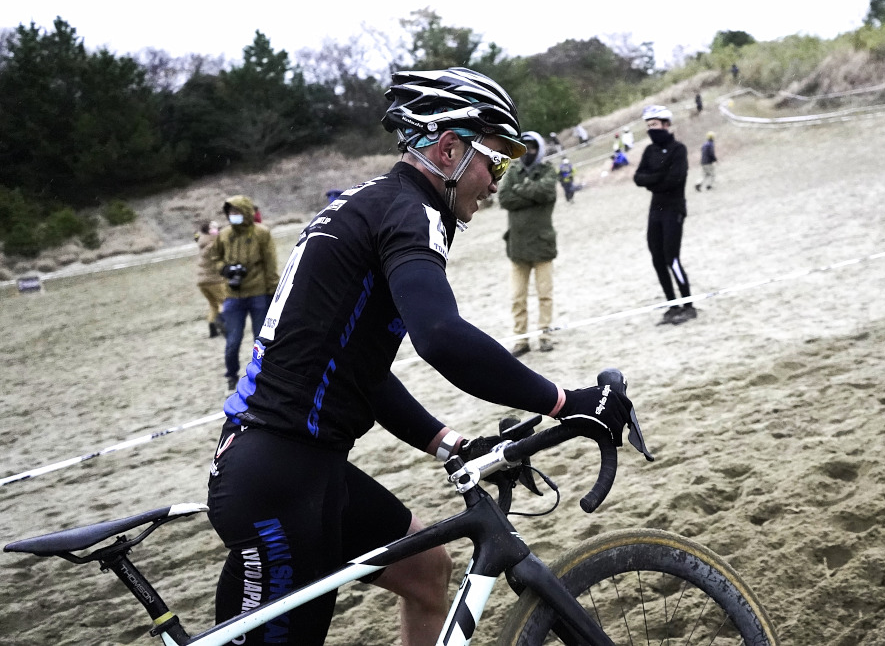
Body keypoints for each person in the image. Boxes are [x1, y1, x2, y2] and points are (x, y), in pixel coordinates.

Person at [205, 67, 635, 646]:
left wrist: (449, 443)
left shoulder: (373, 204)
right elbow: (441, 337)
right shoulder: (412, 212)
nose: (495, 183)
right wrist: (567, 401)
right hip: (279, 479)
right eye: (495, 161)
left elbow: (359, 372)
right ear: (449, 147)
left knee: (428, 569)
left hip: (302, 464)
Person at [633, 105, 695, 325]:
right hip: (655, 210)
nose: (652, 129)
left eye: (655, 125)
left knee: (672, 257)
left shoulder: (679, 149)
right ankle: (672, 305)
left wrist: (654, 179)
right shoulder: (649, 151)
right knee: (657, 259)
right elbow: (638, 177)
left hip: (674, 208)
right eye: (649, 126)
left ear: (666, 125)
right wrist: (659, 177)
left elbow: (675, 180)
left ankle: (688, 305)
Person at [499, 131, 558, 356]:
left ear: (539, 148)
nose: (527, 153)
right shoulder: (512, 171)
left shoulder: (548, 171)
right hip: (517, 247)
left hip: (543, 246)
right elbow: (504, 198)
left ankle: (545, 336)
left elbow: (546, 191)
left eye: (532, 148)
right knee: (517, 298)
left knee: (545, 295)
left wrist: (521, 191)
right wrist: (531, 194)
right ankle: (521, 340)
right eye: (523, 148)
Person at [212, 195, 279, 391]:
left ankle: (264, 377)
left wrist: (272, 292)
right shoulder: (224, 235)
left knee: (261, 340)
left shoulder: (262, 233)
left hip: (259, 293)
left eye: (237, 211)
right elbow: (215, 257)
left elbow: (270, 263)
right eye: (230, 212)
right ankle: (231, 376)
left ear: (246, 212)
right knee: (232, 342)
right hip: (233, 295)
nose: (233, 216)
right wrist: (226, 269)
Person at [195, 220, 227, 339]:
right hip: (214, 280)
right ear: (208, 231)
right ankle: (223, 323)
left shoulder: (202, 243)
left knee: (213, 305)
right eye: (213, 227)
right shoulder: (212, 245)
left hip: (202, 281)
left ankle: (212, 329)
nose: (217, 229)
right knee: (226, 302)